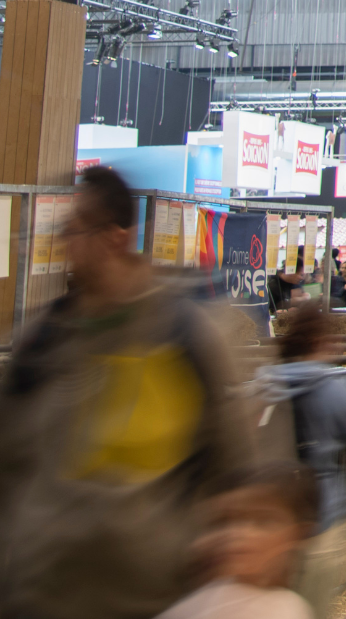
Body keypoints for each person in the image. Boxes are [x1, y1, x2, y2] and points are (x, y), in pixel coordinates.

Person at [0, 166, 252, 619]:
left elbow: (232, 467)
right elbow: (8, 460)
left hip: (148, 598)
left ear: (115, 237)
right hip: (40, 595)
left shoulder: (185, 336)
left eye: (75, 229)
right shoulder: (42, 340)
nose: (65, 244)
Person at [258, 305, 346, 618]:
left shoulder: (262, 387)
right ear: (322, 342)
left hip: (268, 524)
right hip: (321, 519)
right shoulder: (336, 389)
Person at [157, 464, 322, 619]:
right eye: (223, 521)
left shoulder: (286, 609)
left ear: (299, 535)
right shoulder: (202, 601)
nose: (237, 533)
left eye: (263, 521)